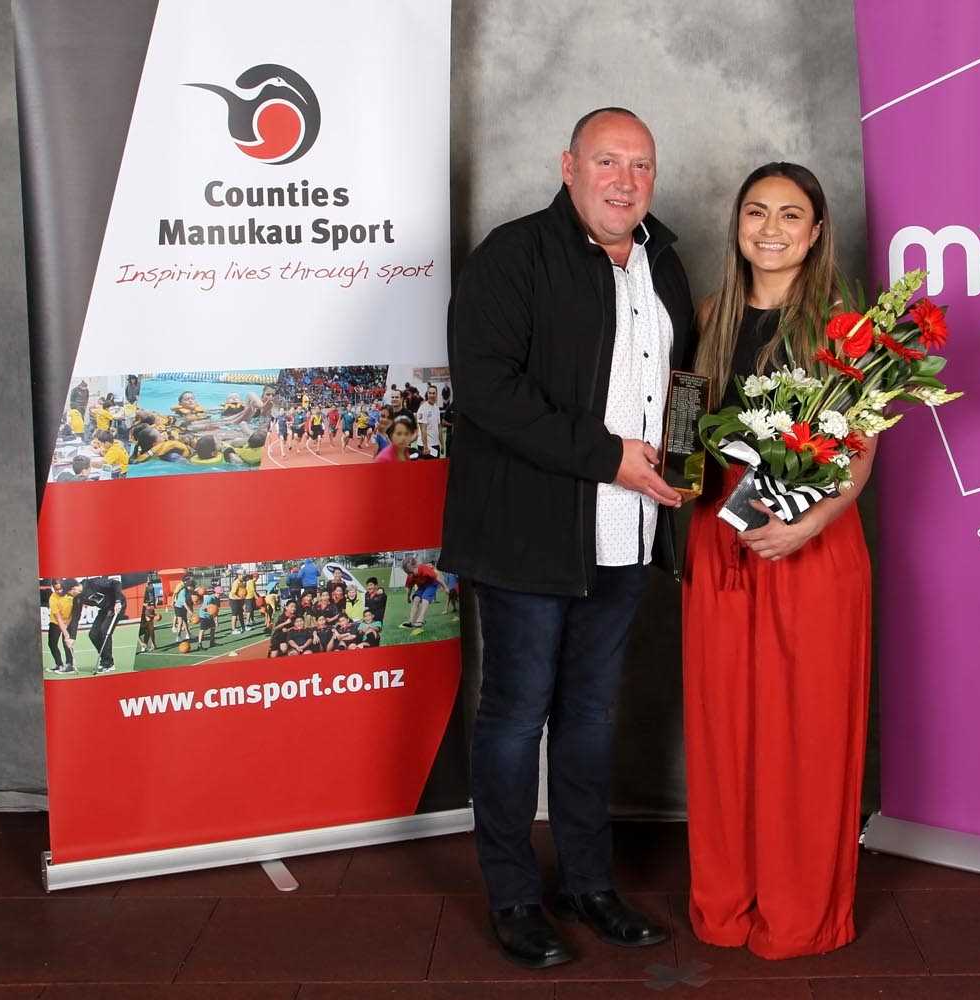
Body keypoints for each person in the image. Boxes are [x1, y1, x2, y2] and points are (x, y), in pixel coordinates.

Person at [441, 106, 694, 969]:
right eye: (607, 161)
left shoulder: (663, 260)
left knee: (590, 716)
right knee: (517, 717)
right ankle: (515, 898)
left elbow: (682, 379)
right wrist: (609, 457)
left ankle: (589, 883)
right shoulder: (513, 257)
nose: (626, 180)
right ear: (568, 166)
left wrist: (683, 463)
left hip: (628, 532)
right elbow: (487, 390)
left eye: (641, 165)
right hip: (529, 534)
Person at [683, 163, 872, 960]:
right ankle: (725, 903)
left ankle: (798, 911)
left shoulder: (845, 328)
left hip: (810, 544)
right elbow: (686, 425)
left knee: (806, 728)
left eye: (790, 215)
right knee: (724, 726)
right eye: (756, 211)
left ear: (817, 230)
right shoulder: (709, 315)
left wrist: (807, 525)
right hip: (719, 537)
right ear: (737, 224)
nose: (770, 229)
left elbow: (859, 453)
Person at [81, 575, 128, 674]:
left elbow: (116, 583)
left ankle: (108, 664)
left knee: (105, 631)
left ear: (74, 587)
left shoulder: (92, 583)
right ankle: (105, 659)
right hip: (105, 609)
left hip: (117, 605)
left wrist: (118, 601)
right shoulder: (78, 597)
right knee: (93, 634)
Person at [46, 579, 76, 673]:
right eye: (56, 589)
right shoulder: (52, 598)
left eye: (61, 588)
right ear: (53, 588)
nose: (59, 591)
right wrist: (65, 631)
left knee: (66, 642)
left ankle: (69, 665)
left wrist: (68, 623)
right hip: (55, 622)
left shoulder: (70, 594)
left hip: (69, 621)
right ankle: (59, 665)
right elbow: (58, 618)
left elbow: (75, 611)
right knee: (52, 643)